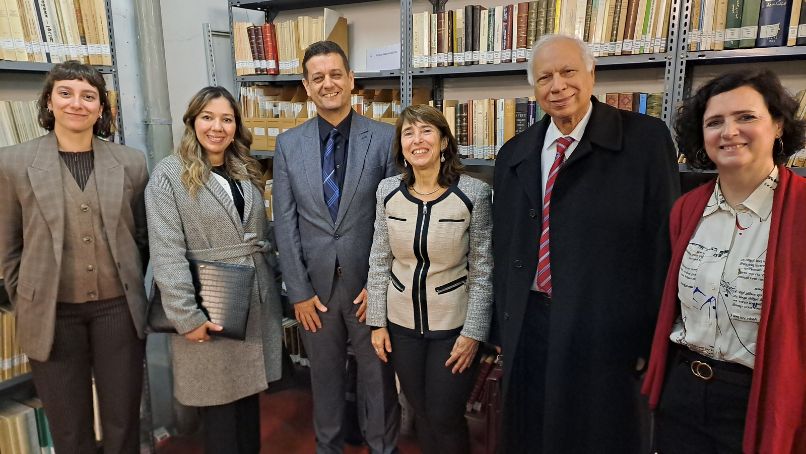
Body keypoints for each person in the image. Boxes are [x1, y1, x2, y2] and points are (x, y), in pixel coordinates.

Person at [492, 34, 680, 453]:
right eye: (545, 77)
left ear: (592, 74)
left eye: (568, 72)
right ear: (533, 88)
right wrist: (501, 327)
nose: (557, 86)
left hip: (605, 329)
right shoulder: (514, 153)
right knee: (532, 432)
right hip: (530, 322)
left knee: (594, 434)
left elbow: (662, 245)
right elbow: (504, 248)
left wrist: (651, 337)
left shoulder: (644, 141)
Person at [642, 70, 806, 453]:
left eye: (746, 117)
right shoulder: (686, 210)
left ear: (778, 125)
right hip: (683, 389)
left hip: (761, 397)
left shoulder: (801, 209)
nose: (729, 132)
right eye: (715, 122)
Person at [0, 61, 148, 453]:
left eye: (88, 96)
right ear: (49, 102)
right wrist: (27, 300)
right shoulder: (12, 163)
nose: (77, 103)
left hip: (118, 311)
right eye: (65, 93)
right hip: (52, 314)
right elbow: (8, 247)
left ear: (101, 108)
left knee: (123, 420)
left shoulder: (131, 162)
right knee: (68, 429)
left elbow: (142, 236)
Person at [272, 40, 400, 453]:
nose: (328, 84)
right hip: (316, 293)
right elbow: (285, 223)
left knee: (377, 379)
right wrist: (298, 292)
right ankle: (328, 447)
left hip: (368, 289)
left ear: (351, 79)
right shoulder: (288, 145)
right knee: (323, 380)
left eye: (335, 74)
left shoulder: (385, 138)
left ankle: (382, 447)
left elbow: (392, 218)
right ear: (306, 86)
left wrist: (379, 286)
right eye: (318, 77)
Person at [145, 86, 283, 453]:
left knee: (247, 407)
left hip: (252, 305)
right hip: (210, 306)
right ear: (193, 122)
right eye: (208, 117)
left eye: (226, 119)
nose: (217, 127)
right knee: (220, 412)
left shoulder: (244, 169)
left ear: (236, 126)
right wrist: (187, 317)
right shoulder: (169, 175)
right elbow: (167, 253)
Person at [366, 105, 493, 454]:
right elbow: (379, 260)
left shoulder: (474, 193)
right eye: (408, 133)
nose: (417, 140)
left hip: (452, 328)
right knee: (420, 412)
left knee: (444, 416)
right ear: (400, 145)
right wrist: (377, 323)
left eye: (426, 131)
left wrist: (473, 334)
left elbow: (483, 270)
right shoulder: (387, 191)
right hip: (401, 327)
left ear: (443, 142)